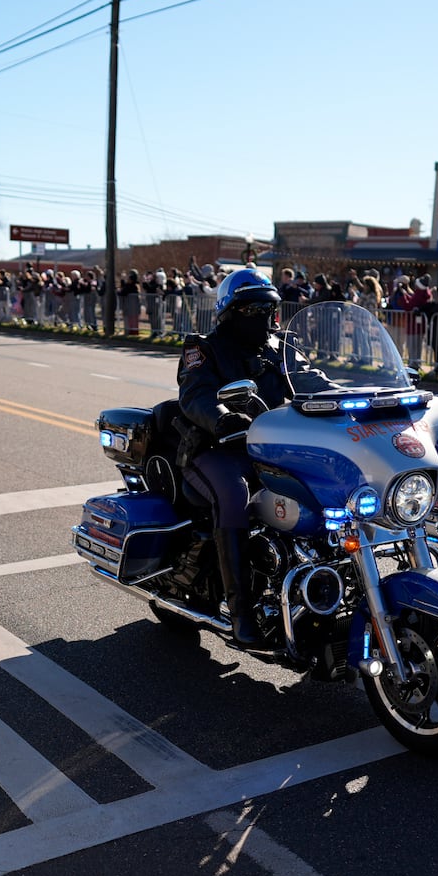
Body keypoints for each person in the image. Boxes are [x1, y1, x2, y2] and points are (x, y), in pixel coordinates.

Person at [174, 270, 293, 648]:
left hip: (273, 448)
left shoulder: (282, 348)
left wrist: (354, 399)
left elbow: (316, 381)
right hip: (217, 448)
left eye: (267, 307)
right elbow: (196, 395)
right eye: (251, 308)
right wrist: (221, 417)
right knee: (233, 495)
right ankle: (242, 615)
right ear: (229, 310)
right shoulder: (205, 348)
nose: (261, 316)